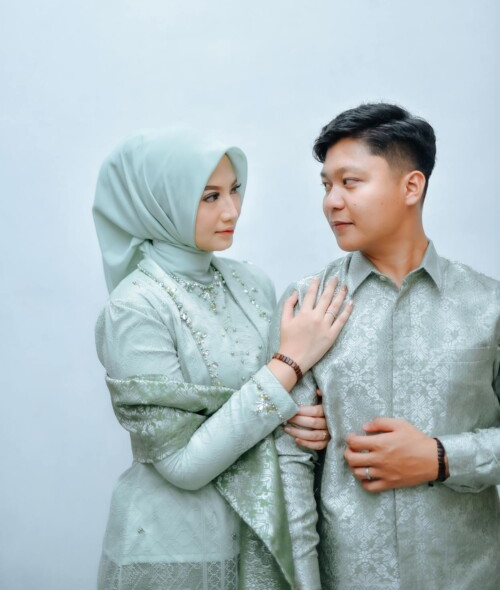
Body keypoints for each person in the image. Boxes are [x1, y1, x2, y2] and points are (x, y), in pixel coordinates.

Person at [92, 129, 353, 590]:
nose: (232, 210)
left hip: (263, 534)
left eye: (234, 190)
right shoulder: (134, 308)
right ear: (160, 202)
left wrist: (304, 420)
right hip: (175, 546)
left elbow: (272, 405)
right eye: (209, 196)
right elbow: (183, 464)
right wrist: (289, 363)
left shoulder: (252, 283)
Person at [273, 103, 500, 590]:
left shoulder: (489, 305)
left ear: (411, 187)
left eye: (350, 182)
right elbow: (290, 467)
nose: (332, 202)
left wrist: (441, 457)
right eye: (326, 185)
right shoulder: (309, 304)